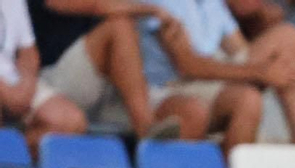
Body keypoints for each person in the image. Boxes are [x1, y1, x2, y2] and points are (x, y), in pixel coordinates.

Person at [141, 0, 295, 154]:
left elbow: (241, 51)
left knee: (288, 38)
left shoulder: (211, 3)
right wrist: (262, 72)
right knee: (248, 98)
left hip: (210, 79)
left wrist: (285, 60)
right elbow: (188, 66)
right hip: (175, 87)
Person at [26, 0, 202, 140]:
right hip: (56, 85)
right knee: (119, 26)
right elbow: (93, 5)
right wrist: (151, 10)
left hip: (113, 88)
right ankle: (145, 127)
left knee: (191, 112)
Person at [2, 0, 94, 148]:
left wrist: (26, 86)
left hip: (13, 78)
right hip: (4, 86)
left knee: (70, 122)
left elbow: (28, 51)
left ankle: (13, 155)